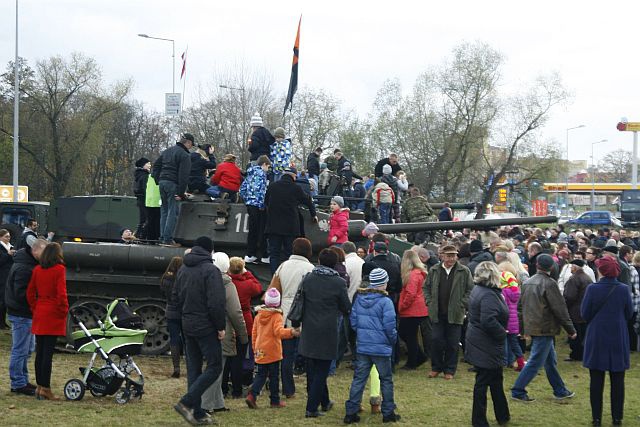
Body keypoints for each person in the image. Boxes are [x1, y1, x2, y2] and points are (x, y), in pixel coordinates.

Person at [173, 236, 226, 426]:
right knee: (214, 366)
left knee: (194, 368)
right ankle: (187, 403)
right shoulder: (211, 271)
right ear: (210, 251)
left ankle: (197, 412)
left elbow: (176, 296)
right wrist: (220, 327)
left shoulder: (184, 268)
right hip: (206, 326)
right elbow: (216, 303)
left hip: (187, 323)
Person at [292, 248, 351, 418]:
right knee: (322, 371)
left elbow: (299, 302)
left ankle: (324, 402)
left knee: (313, 370)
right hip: (328, 330)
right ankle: (311, 408)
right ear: (335, 264)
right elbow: (346, 307)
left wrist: (296, 323)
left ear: (318, 261)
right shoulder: (338, 282)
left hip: (309, 329)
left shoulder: (308, 279)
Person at [511, 254, 577, 402]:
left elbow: (520, 308)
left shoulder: (527, 283)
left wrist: (522, 328)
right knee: (536, 362)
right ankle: (518, 390)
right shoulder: (550, 284)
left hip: (533, 326)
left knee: (550, 362)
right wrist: (571, 329)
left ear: (537, 265)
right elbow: (560, 309)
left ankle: (560, 390)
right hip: (545, 328)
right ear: (552, 267)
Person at [344, 268, 401, 424]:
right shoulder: (385, 302)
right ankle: (388, 412)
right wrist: (393, 340)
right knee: (386, 380)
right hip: (381, 347)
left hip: (363, 346)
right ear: (383, 284)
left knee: (359, 380)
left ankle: (351, 412)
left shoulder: (359, 298)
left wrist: (363, 336)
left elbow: (353, 322)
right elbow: (390, 327)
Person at [581, 256, 633, 426]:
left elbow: (585, 313)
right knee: (618, 380)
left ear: (601, 270)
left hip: (597, 336)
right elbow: (629, 313)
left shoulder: (592, 289)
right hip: (618, 335)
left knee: (596, 380)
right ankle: (617, 418)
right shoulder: (624, 289)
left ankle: (597, 418)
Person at [466, 261, 510, 427]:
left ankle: (503, 414)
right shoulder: (489, 294)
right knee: (484, 381)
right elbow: (488, 320)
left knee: (495, 379)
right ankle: (479, 420)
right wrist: (501, 334)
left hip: (480, 340)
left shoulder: (480, 290)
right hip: (486, 343)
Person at [201, 252, 247, 414]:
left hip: (204, 329)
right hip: (223, 331)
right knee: (216, 370)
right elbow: (235, 312)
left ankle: (218, 402)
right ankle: (206, 405)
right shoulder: (227, 284)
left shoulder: (204, 280)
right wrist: (243, 335)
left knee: (216, 368)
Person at [272, 237, 315, 398]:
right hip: (305, 313)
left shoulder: (283, 266)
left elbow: (273, 291)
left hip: (285, 313)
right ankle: (311, 387)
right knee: (309, 354)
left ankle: (288, 390)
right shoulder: (310, 268)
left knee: (286, 355)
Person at [424, 245, 474, 379]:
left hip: (456, 313)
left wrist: (462, 304)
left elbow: (470, 290)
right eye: (449, 255)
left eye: (454, 255)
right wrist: (429, 302)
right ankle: (436, 367)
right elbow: (426, 288)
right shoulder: (434, 270)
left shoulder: (464, 271)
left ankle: (449, 370)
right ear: (442, 256)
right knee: (436, 340)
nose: (451, 258)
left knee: (453, 343)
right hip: (437, 312)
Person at [26, 242, 68, 400]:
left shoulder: (37, 270)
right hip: (53, 314)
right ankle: (46, 388)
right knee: (47, 354)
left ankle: (39, 386)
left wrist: (36, 308)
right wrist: (63, 312)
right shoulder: (59, 270)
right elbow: (61, 294)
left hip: (40, 312)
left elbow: (30, 293)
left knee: (40, 352)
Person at [5, 238, 47, 396]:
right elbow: (21, 293)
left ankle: (22, 380)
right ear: (35, 251)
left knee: (27, 349)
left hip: (26, 313)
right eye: (44, 253)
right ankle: (18, 383)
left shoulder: (28, 263)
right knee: (21, 349)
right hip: (21, 313)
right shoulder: (24, 268)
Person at [246, 288, 299, 409]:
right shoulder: (277, 316)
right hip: (273, 351)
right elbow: (278, 332)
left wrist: (255, 348)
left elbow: (254, 332)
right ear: (278, 302)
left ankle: (252, 395)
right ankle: (274, 401)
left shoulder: (259, 315)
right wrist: (291, 332)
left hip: (260, 349)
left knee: (261, 375)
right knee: (274, 376)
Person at [264, 167, 317, 274]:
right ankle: (287, 275)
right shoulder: (296, 188)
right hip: (290, 227)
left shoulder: (273, 186)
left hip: (273, 226)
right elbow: (308, 201)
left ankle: (274, 276)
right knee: (289, 253)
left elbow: (266, 201)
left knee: (274, 254)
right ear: (293, 175)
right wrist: (313, 214)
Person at [152, 133, 194, 246]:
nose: (191, 147)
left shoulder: (167, 151)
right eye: (191, 145)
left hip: (162, 183)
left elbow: (155, 166)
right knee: (173, 211)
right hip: (173, 184)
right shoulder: (185, 155)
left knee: (164, 211)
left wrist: (158, 180)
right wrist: (181, 193)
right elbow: (184, 176)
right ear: (188, 143)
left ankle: (162, 237)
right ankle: (168, 239)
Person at [398, 250, 428, 370]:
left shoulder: (412, 275)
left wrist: (402, 306)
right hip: (418, 309)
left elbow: (410, 294)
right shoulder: (419, 273)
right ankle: (418, 357)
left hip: (412, 310)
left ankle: (413, 361)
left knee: (408, 335)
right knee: (410, 335)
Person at [239, 155, 271, 264]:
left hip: (250, 204)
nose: (268, 169)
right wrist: (262, 205)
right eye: (268, 167)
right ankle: (264, 255)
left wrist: (247, 200)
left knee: (252, 230)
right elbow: (261, 191)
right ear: (264, 164)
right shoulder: (262, 174)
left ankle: (250, 254)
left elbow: (242, 189)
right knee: (262, 230)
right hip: (258, 205)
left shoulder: (250, 173)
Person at [563, 259, 592, 362]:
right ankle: (582, 353)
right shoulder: (587, 278)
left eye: (571, 267)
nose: (570, 268)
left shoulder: (574, 279)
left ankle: (576, 354)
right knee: (583, 334)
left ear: (575, 267)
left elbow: (569, 296)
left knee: (575, 335)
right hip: (584, 311)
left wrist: (565, 307)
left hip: (575, 311)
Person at [160, 256, 184, 378]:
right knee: (187, 339)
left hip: (171, 311)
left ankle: (176, 368)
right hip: (183, 312)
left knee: (174, 339)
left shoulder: (165, 278)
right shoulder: (182, 279)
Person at [499, 270, 525, 371]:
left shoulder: (503, 292)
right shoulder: (515, 292)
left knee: (503, 341)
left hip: (505, 321)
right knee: (514, 343)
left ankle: (503, 362)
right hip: (514, 322)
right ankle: (520, 362)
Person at [0, 228, 16, 329]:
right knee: (2, 300)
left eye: (9, 236)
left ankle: (3, 321)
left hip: (8, 275)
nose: (8, 238)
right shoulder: (2, 248)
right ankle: (1, 323)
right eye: (6, 236)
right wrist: (8, 255)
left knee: (5, 300)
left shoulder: (10, 246)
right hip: (2, 276)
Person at [133, 157, 151, 239]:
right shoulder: (145, 176)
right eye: (148, 163)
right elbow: (146, 189)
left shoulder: (138, 175)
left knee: (142, 220)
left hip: (140, 200)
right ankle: (141, 236)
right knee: (147, 219)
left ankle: (137, 236)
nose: (150, 165)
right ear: (143, 165)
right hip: (145, 200)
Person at [145, 172, 162, 241]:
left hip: (149, 201)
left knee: (150, 221)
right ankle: (157, 237)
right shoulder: (161, 176)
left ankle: (150, 238)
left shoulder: (149, 176)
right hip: (158, 201)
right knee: (157, 222)